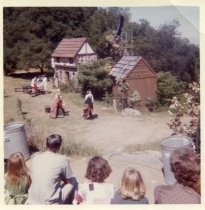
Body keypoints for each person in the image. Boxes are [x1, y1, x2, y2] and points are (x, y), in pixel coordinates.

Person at [27, 134, 74, 204]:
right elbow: (68, 181)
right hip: (49, 204)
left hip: (32, 200)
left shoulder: (36, 158)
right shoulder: (62, 160)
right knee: (73, 182)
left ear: (46, 145)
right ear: (59, 147)